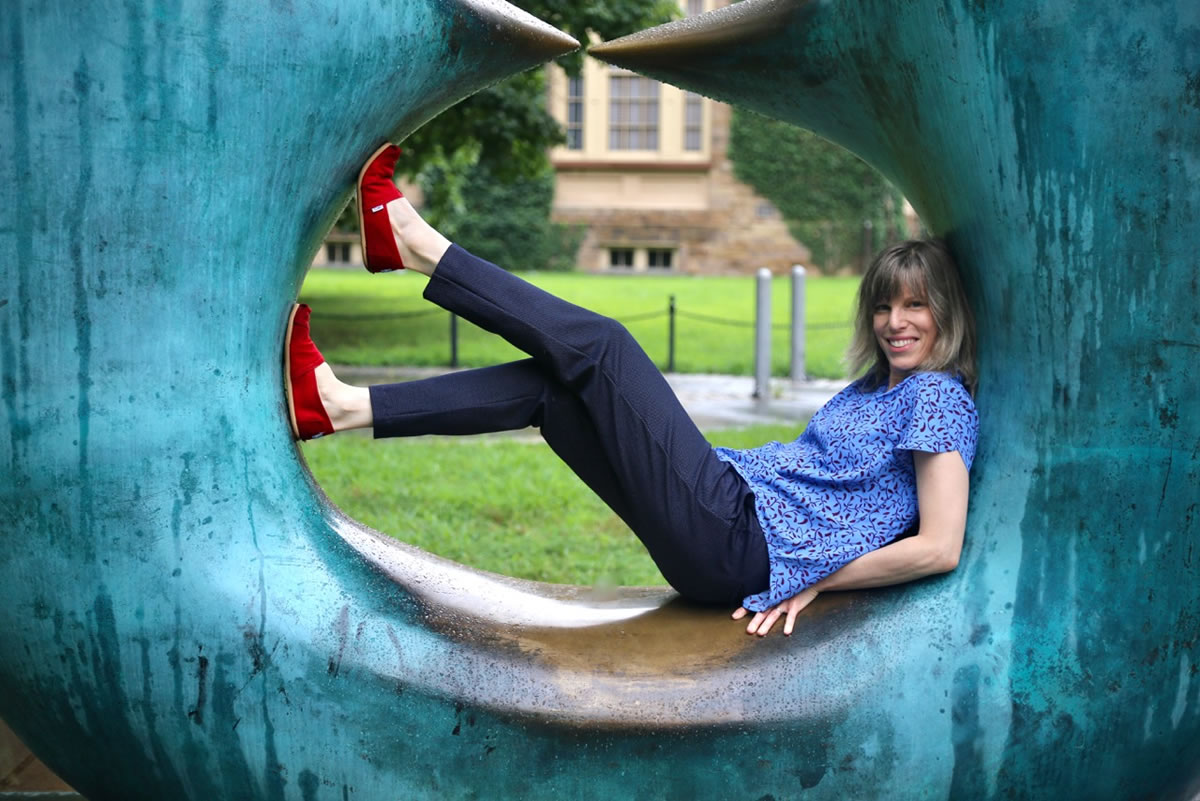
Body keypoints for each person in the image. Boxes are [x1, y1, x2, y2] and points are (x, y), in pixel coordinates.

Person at [285, 144, 979, 638]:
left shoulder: (938, 397)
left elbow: (939, 546)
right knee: (552, 392)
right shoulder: (873, 389)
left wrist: (817, 576)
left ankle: (415, 245)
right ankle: (340, 407)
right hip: (729, 520)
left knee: (603, 346)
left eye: (916, 306)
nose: (896, 322)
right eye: (886, 307)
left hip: (743, 540)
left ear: (945, 314)